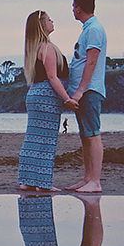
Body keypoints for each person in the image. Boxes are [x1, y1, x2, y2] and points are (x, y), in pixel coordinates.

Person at [17, 10, 77, 192]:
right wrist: (67, 99)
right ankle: (42, 183)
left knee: (33, 139)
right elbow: (53, 77)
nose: (53, 21)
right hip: (46, 97)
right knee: (46, 141)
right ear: (42, 26)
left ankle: (27, 180)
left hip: (35, 94)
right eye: (49, 19)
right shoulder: (48, 48)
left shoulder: (33, 49)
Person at [65, 0, 107, 193]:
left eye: (73, 6)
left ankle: (95, 181)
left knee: (92, 134)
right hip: (82, 91)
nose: (72, 9)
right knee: (85, 135)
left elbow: (92, 61)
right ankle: (87, 178)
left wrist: (80, 90)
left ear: (78, 8)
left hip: (89, 91)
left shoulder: (94, 29)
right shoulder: (87, 29)